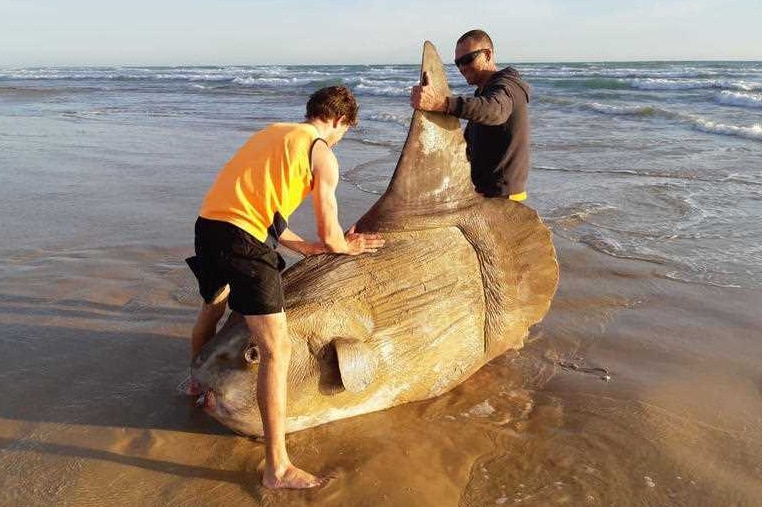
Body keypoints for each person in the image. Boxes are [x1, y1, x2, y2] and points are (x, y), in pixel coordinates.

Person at [184, 86, 385, 489]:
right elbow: (332, 235)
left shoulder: (273, 133)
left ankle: (195, 383)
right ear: (342, 122)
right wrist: (348, 246)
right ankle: (277, 468)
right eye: (345, 130)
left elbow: (270, 216)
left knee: (214, 305)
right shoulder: (321, 152)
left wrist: (304, 248)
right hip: (242, 239)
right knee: (278, 350)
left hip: (209, 226)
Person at [410, 29, 532, 201]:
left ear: (488, 55)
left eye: (467, 59)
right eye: (458, 62)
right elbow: (468, 148)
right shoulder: (482, 95)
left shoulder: (508, 86)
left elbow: (495, 111)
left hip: (504, 199)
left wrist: (441, 103)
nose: (462, 67)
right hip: (482, 194)